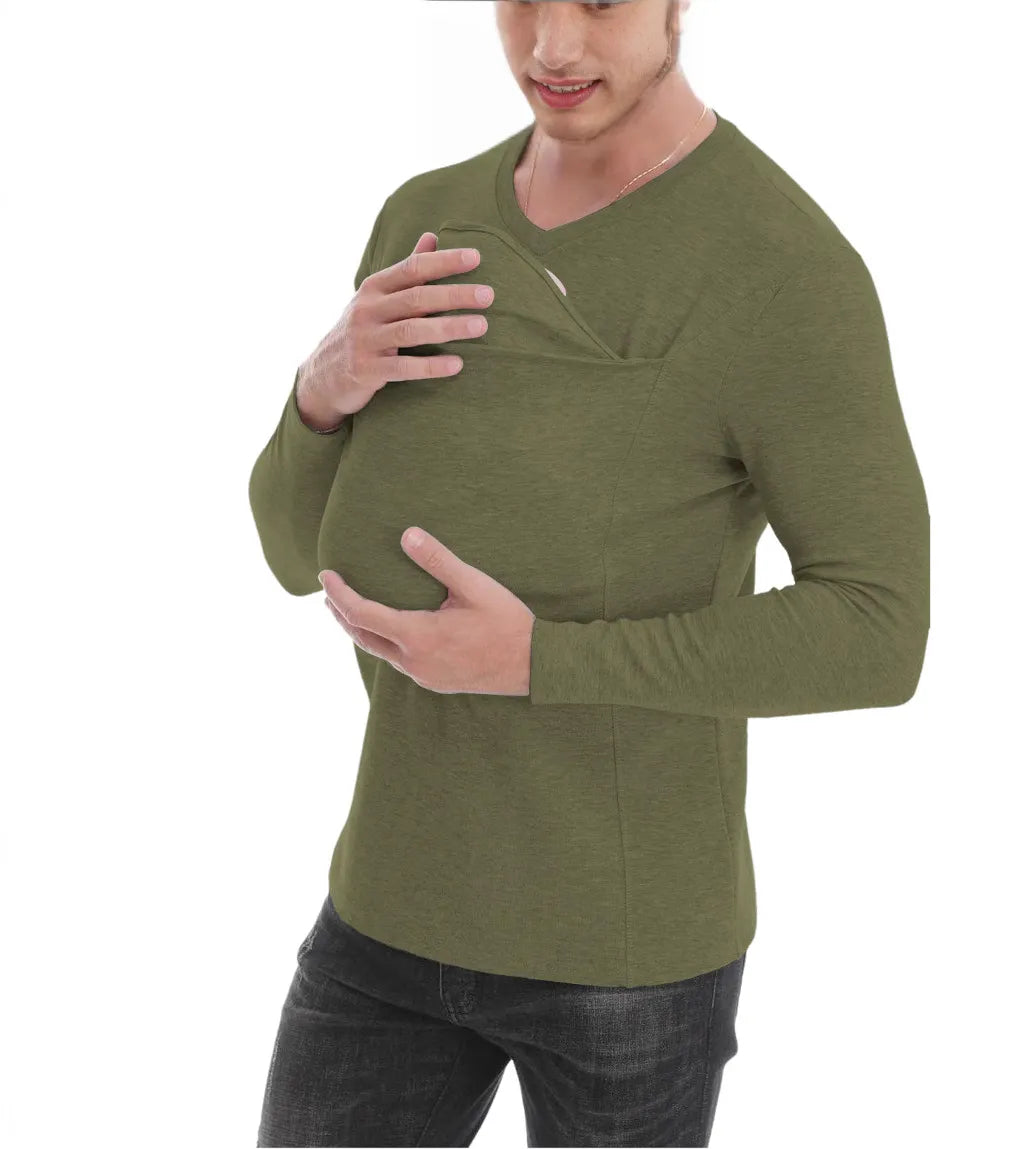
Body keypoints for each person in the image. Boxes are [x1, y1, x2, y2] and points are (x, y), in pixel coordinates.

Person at [248, 0, 930, 1144]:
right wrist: (322, 393)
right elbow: (288, 554)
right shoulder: (424, 220)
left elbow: (878, 630)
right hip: (388, 908)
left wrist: (540, 662)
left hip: (624, 957)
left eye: (602, 1)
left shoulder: (782, 268)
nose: (552, 46)